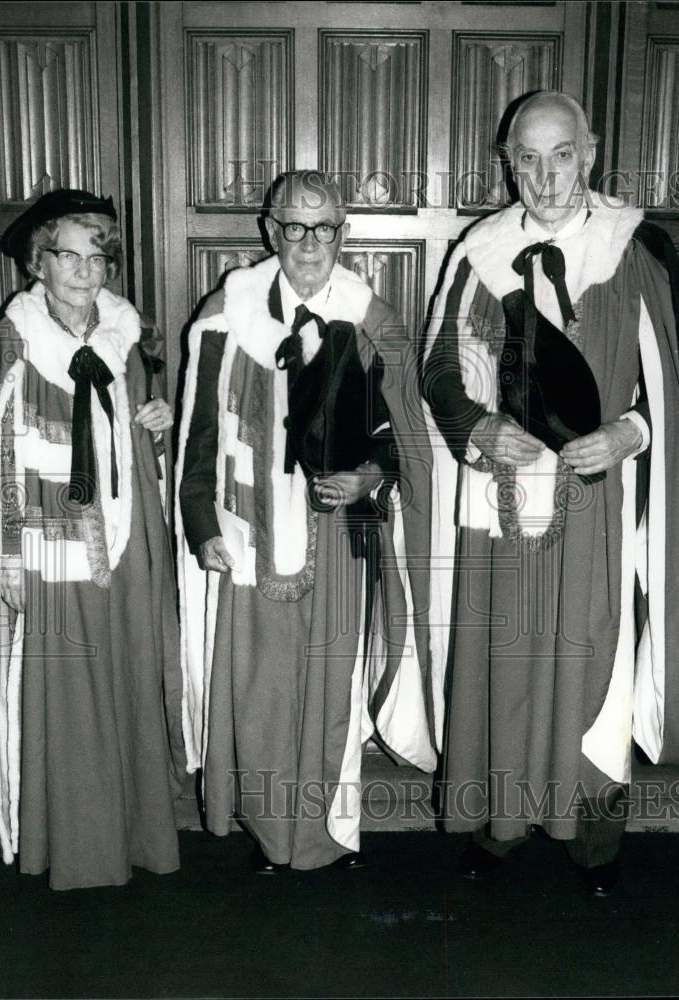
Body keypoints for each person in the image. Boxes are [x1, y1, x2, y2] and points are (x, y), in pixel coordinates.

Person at [422, 92, 679, 895]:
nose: (545, 175)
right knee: (503, 661)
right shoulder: (476, 254)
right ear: (506, 161)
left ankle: (596, 841)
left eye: (562, 155)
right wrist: (478, 433)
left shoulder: (639, 248)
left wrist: (633, 430)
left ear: (588, 154)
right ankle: (500, 823)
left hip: (601, 504)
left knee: (595, 663)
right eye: (528, 158)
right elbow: (440, 371)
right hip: (505, 509)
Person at [176, 170, 442, 872]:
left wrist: (368, 476)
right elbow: (198, 434)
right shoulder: (225, 314)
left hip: (338, 532)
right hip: (247, 532)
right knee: (260, 690)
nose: (309, 243)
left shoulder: (372, 321)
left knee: (331, 686)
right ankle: (269, 832)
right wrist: (201, 522)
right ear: (270, 230)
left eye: (324, 228)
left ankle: (331, 831)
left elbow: (403, 439)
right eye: (294, 226)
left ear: (343, 234)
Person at [0, 189, 186, 890]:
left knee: (128, 676)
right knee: (67, 689)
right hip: (51, 535)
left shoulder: (127, 332)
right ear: (40, 261)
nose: (85, 270)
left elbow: (133, 429)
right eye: (69, 255)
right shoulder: (15, 336)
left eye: (98, 256)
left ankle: (139, 837)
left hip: (127, 531)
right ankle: (75, 848)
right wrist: (6, 553)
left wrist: (156, 419)